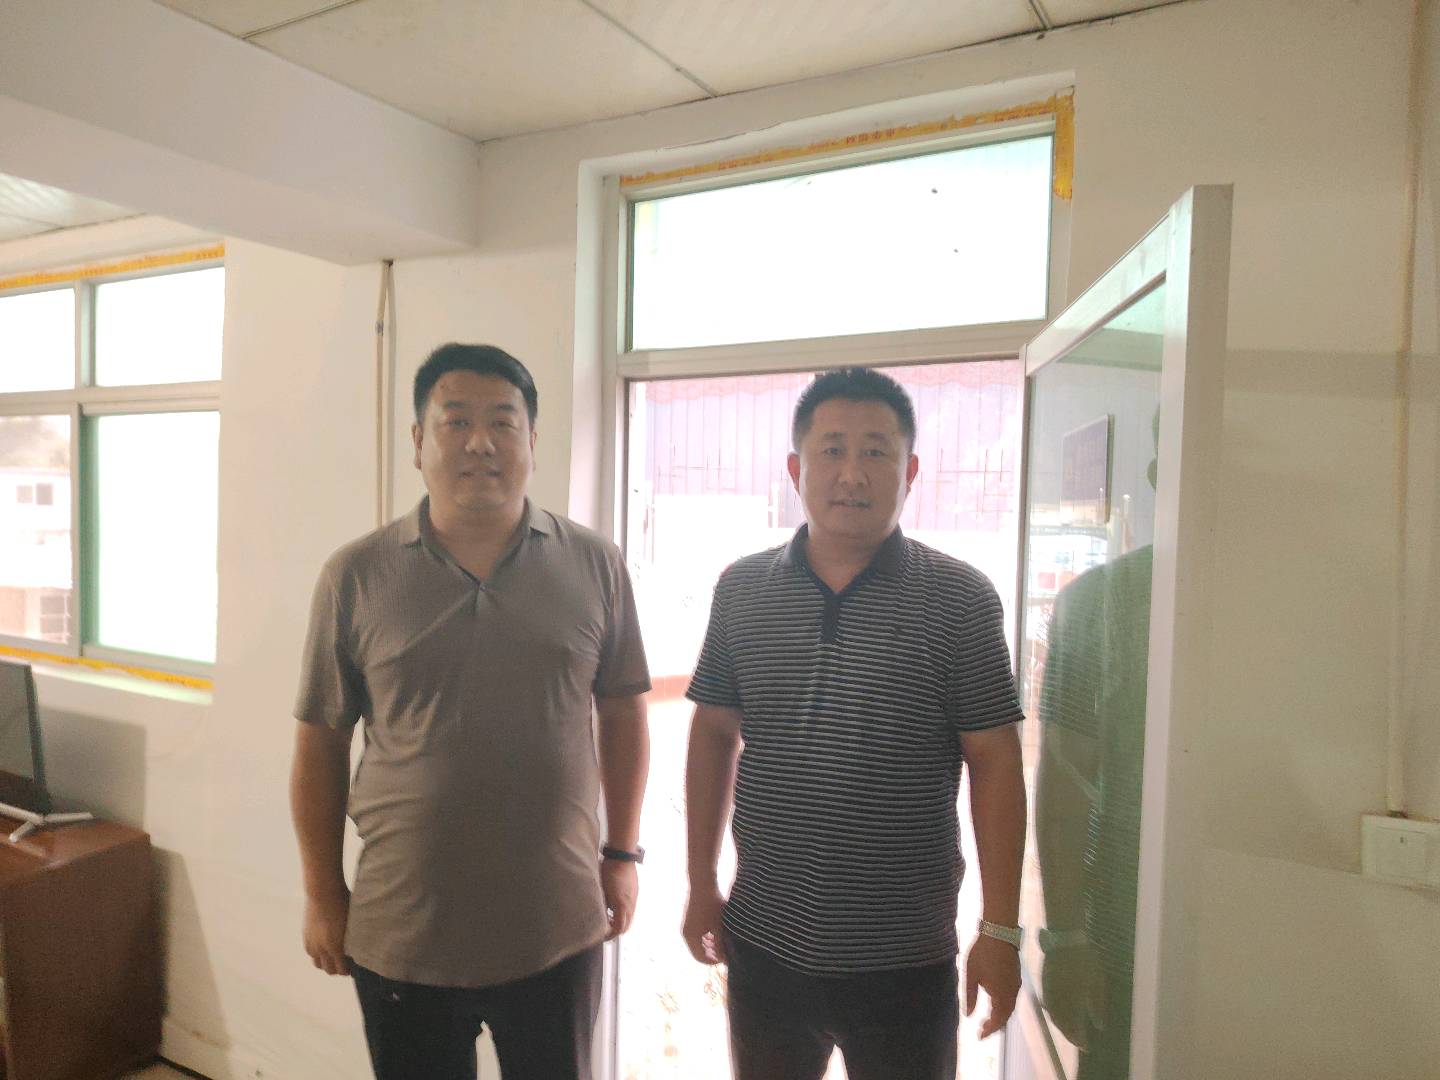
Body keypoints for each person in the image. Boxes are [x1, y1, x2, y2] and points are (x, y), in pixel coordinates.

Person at [290, 343, 651, 1080]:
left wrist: (622, 855)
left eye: (502, 423)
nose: (480, 442)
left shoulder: (594, 564)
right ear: (418, 441)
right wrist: (323, 894)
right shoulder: (356, 575)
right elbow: (319, 745)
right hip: (402, 931)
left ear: (532, 441)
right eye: (455, 421)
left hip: (556, 925)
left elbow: (623, 715)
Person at [682, 366, 1027, 1080]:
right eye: (832, 449)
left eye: (876, 451)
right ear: (795, 469)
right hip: (766, 942)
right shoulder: (742, 590)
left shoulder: (961, 599)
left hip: (906, 959)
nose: (852, 473)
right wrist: (700, 882)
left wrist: (999, 928)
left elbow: (995, 761)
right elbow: (713, 734)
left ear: (911, 471)